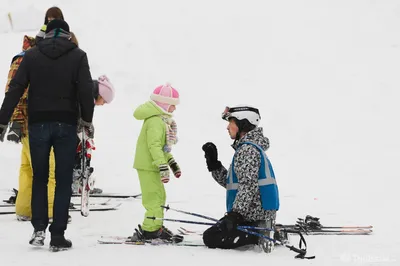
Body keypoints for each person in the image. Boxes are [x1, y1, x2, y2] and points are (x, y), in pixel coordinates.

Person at [0, 19, 94, 250]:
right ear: (67, 35)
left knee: (39, 178)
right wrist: (87, 121)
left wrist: (2, 121)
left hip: (38, 125)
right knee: (62, 181)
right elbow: (85, 91)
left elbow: (15, 88)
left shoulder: (31, 56)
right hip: (66, 125)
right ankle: (58, 235)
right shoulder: (78, 56)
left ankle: (39, 230)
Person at [201, 105, 280, 251]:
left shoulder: (248, 150)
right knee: (213, 234)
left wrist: (235, 215)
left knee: (211, 237)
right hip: (251, 214)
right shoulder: (248, 148)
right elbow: (233, 184)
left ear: (242, 124)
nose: (227, 127)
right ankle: (261, 229)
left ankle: (258, 234)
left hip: (253, 216)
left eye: (231, 122)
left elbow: (247, 186)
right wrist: (214, 165)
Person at [131, 83, 183, 242]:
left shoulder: (162, 121)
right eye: (173, 105)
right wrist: (162, 166)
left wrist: (172, 164)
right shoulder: (155, 122)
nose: (174, 108)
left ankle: (156, 227)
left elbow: (163, 149)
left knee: (160, 197)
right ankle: (149, 230)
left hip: (151, 165)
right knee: (153, 198)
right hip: (148, 166)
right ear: (164, 103)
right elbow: (153, 146)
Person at [72, 75, 115, 195]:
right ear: (100, 95)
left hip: (74, 130)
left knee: (83, 153)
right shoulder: (86, 97)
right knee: (77, 154)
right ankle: (76, 183)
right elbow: (78, 114)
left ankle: (80, 182)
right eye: (105, 101)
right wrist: (82, 128)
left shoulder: (88, 96)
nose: (103, 104)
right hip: (70, 131)